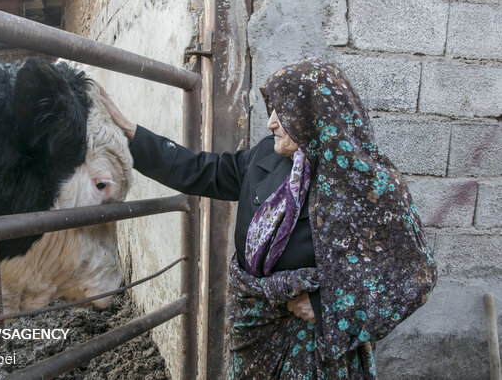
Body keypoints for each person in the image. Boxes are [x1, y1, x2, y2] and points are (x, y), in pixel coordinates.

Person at [100, 58, 436, 379]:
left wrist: (324, 305)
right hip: (256, 334)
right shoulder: (266, 156)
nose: (271, 121)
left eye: (282, 112)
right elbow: (201, 170)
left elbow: (412, 275)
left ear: (313, 115)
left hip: (315, 346)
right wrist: (131, 132)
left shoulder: (368, 186)